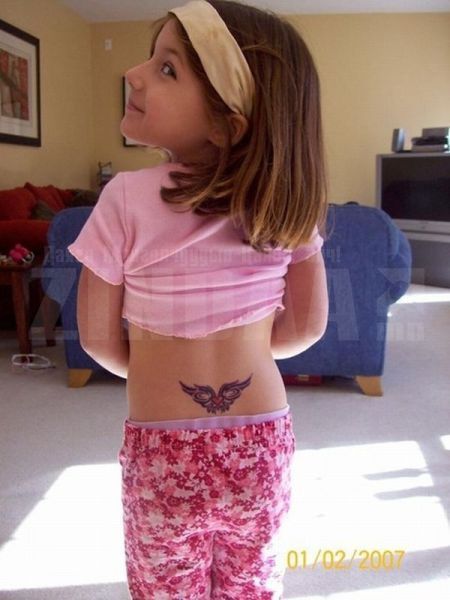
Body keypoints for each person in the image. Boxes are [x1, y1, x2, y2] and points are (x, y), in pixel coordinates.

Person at [68, 0, 328, 597]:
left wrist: (157, 365)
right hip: (261, 445)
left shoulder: (124, 197)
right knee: (251, 583)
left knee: (164, 587)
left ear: (226, 124)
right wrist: (248, 349)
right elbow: (305, 329)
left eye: (167, 68)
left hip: (162, 454)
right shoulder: (284, 206)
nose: (133, 73)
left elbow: (98, 340)